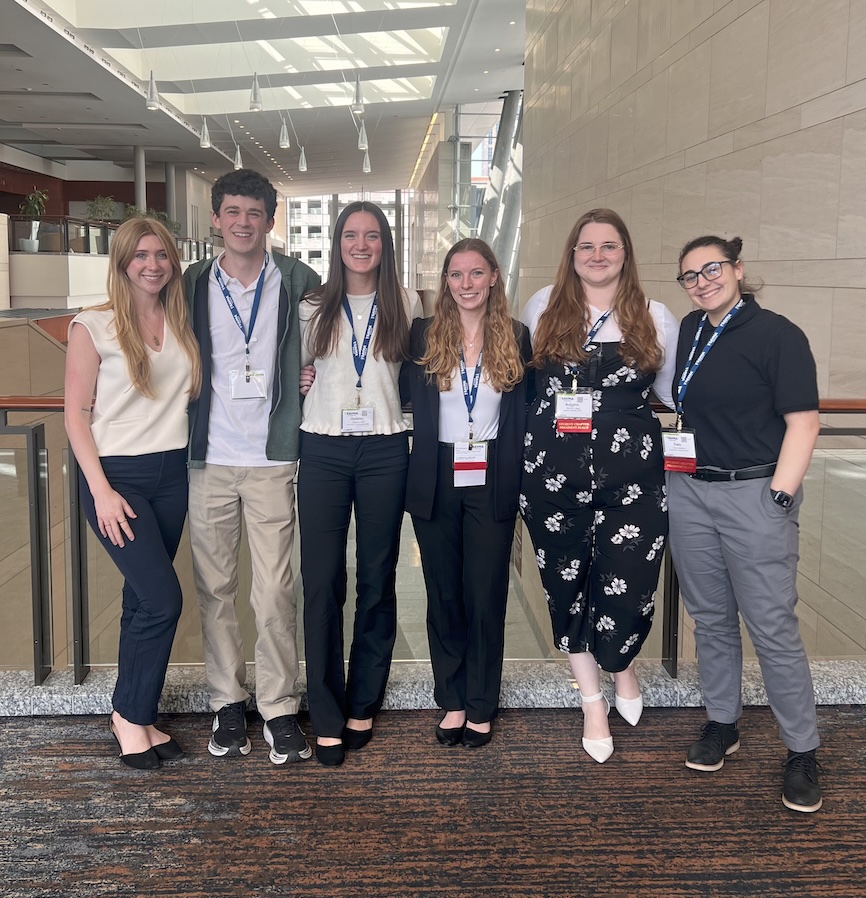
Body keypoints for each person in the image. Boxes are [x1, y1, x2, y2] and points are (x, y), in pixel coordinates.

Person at [668, 235, 822, 813]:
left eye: (712, 269)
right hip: (690, 492)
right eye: (690, 275)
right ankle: (722, 723)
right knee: (709, 619)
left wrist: (778, 499)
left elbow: (803, 423)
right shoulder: (691, 330)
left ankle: (802, 750)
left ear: (736, 269)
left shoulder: (778, 335)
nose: (702, 281)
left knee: (771, 626)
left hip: (754, 494)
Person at [519, 208, 679, 763]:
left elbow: (679, 394)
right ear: (572, 255)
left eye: (609, 246)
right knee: (567, 586)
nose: (597, 255)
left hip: (633, 478)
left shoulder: (656, 315)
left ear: (625, 254)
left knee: (627, 589)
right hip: (550, 475)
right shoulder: (542, 306)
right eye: (586, 246)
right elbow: (521, 379)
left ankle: (622, 664)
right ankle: (592, 700)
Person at [184, 169, 320, 765]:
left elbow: (333, 338)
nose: (243, 222)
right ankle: (226, 701)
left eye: (254, 212)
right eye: (232, 211)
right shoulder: (189, 283)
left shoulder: (296, 279)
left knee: (274, 591)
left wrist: (311, 377)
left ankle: (280, 706)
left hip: (272, 457)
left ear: (271, 220)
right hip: (207, 458)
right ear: (216, 219)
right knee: (215, 588)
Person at [64, 217, 201, 769]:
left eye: (161, 254)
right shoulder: (92, 326)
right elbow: (75, 414)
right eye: (140, 255)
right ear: (122, 262)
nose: (152, 264)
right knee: (165, 600)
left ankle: (138, 714)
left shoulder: (181, 322)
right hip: (117, 478)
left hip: (172, 473)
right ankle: (128, 712)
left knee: (141, 601)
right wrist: (100, 492)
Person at [298, 201, 422, 766]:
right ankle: (324, 710)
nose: (362, 244)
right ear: (337, 242)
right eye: (351, 235)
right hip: (321, 447)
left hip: (384, 448)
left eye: (372, 235)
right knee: (322, 580)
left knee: (377, 576)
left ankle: (361, 702)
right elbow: (295, 371)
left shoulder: (406, 303)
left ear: (385, 244)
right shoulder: (313, 305)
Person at [401, 238, 532, 748]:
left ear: (494, 277)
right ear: (446, 283)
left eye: (476, 274)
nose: (466, 284)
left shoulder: (517, 338)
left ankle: (482, 703)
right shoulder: (423, 337)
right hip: (436, 474)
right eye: (456, 275)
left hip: (493, 476)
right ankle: (451, 699)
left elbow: (531, 406)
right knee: (443, 594)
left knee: (486, 593)